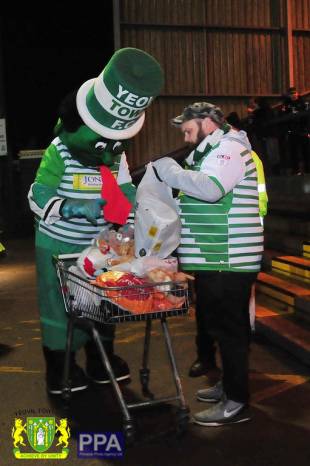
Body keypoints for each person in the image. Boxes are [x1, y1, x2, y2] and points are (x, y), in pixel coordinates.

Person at [28, 48, 164, 395]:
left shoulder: (115, 156)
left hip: (100, 248)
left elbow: (126, 194)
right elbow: (37, 195)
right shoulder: (59, 150)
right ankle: (60, 368)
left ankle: (100, 358)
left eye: (115, 145)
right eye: (102, 143)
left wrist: (137, 225)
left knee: (103, 302)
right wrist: (73, 207)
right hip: (59, 245)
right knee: (60, 308)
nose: (108, 152)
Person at [152, 102, 264, 426]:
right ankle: (230, 386)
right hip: (216, 258)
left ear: (207, 123)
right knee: (222, 328)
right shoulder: (211, 152)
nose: (186, 138)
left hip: (228, 259)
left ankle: (237, 401)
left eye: (188, 130)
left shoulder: (228, 149)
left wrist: (171, 170)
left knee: (230, 332)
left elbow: (212, 191)